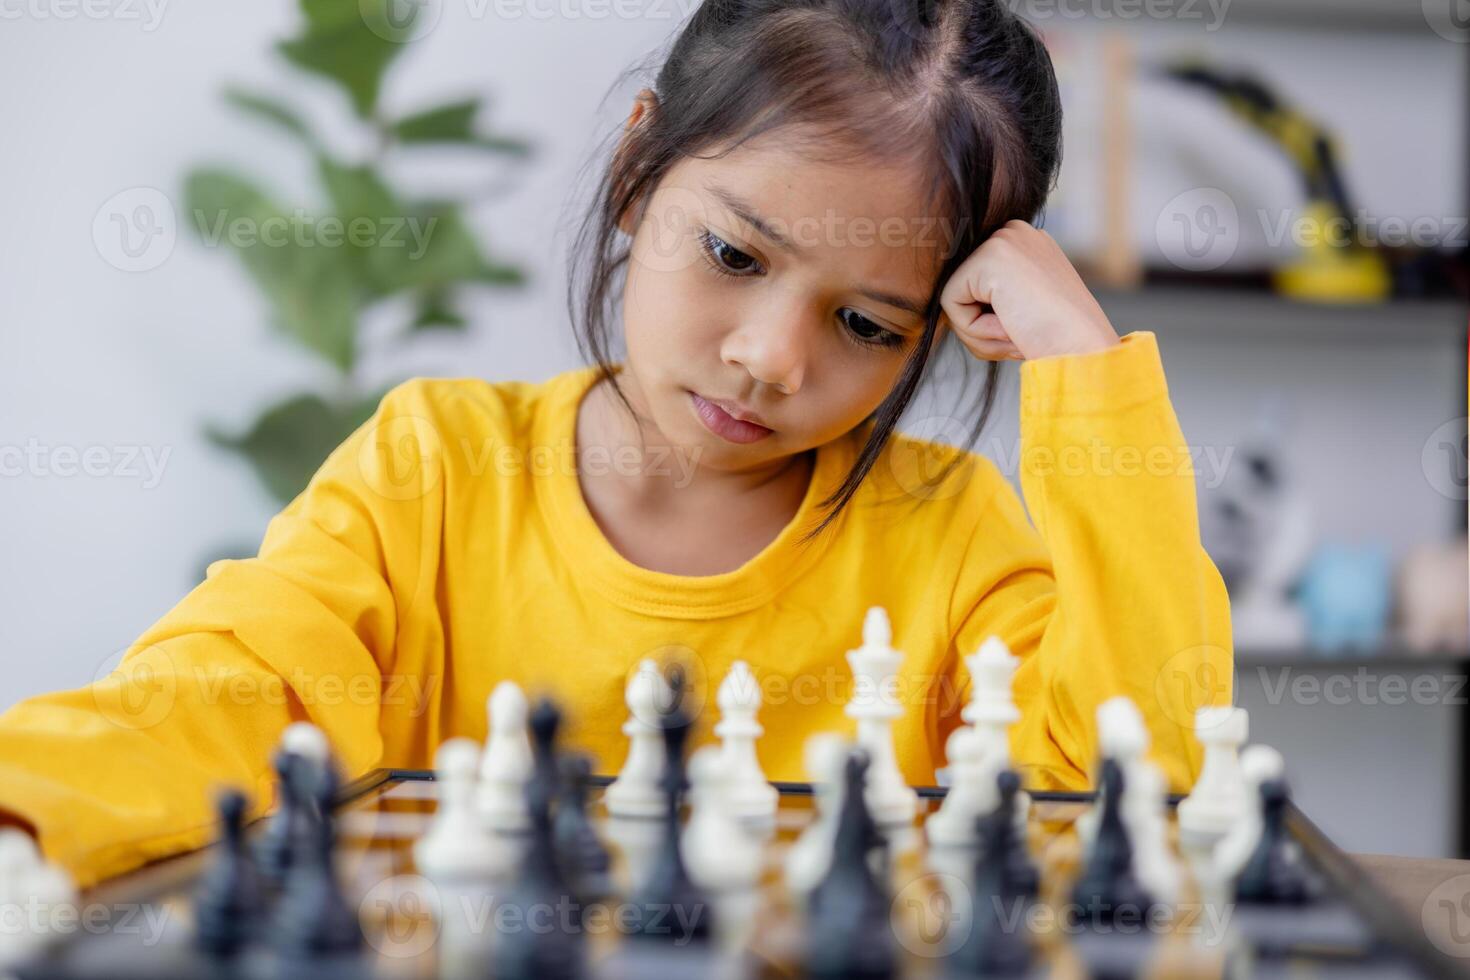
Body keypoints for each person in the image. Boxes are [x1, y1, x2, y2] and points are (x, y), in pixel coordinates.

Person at [0, 0, 1231, 887]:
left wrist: (1083, 362)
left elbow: (1136, 791)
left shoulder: (953, 535)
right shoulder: (432, 469)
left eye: (866, 321)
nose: (770, 356)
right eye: (735, 255)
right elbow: (220, 699)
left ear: (943, 322)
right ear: (641, 167)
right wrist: (29, 805)